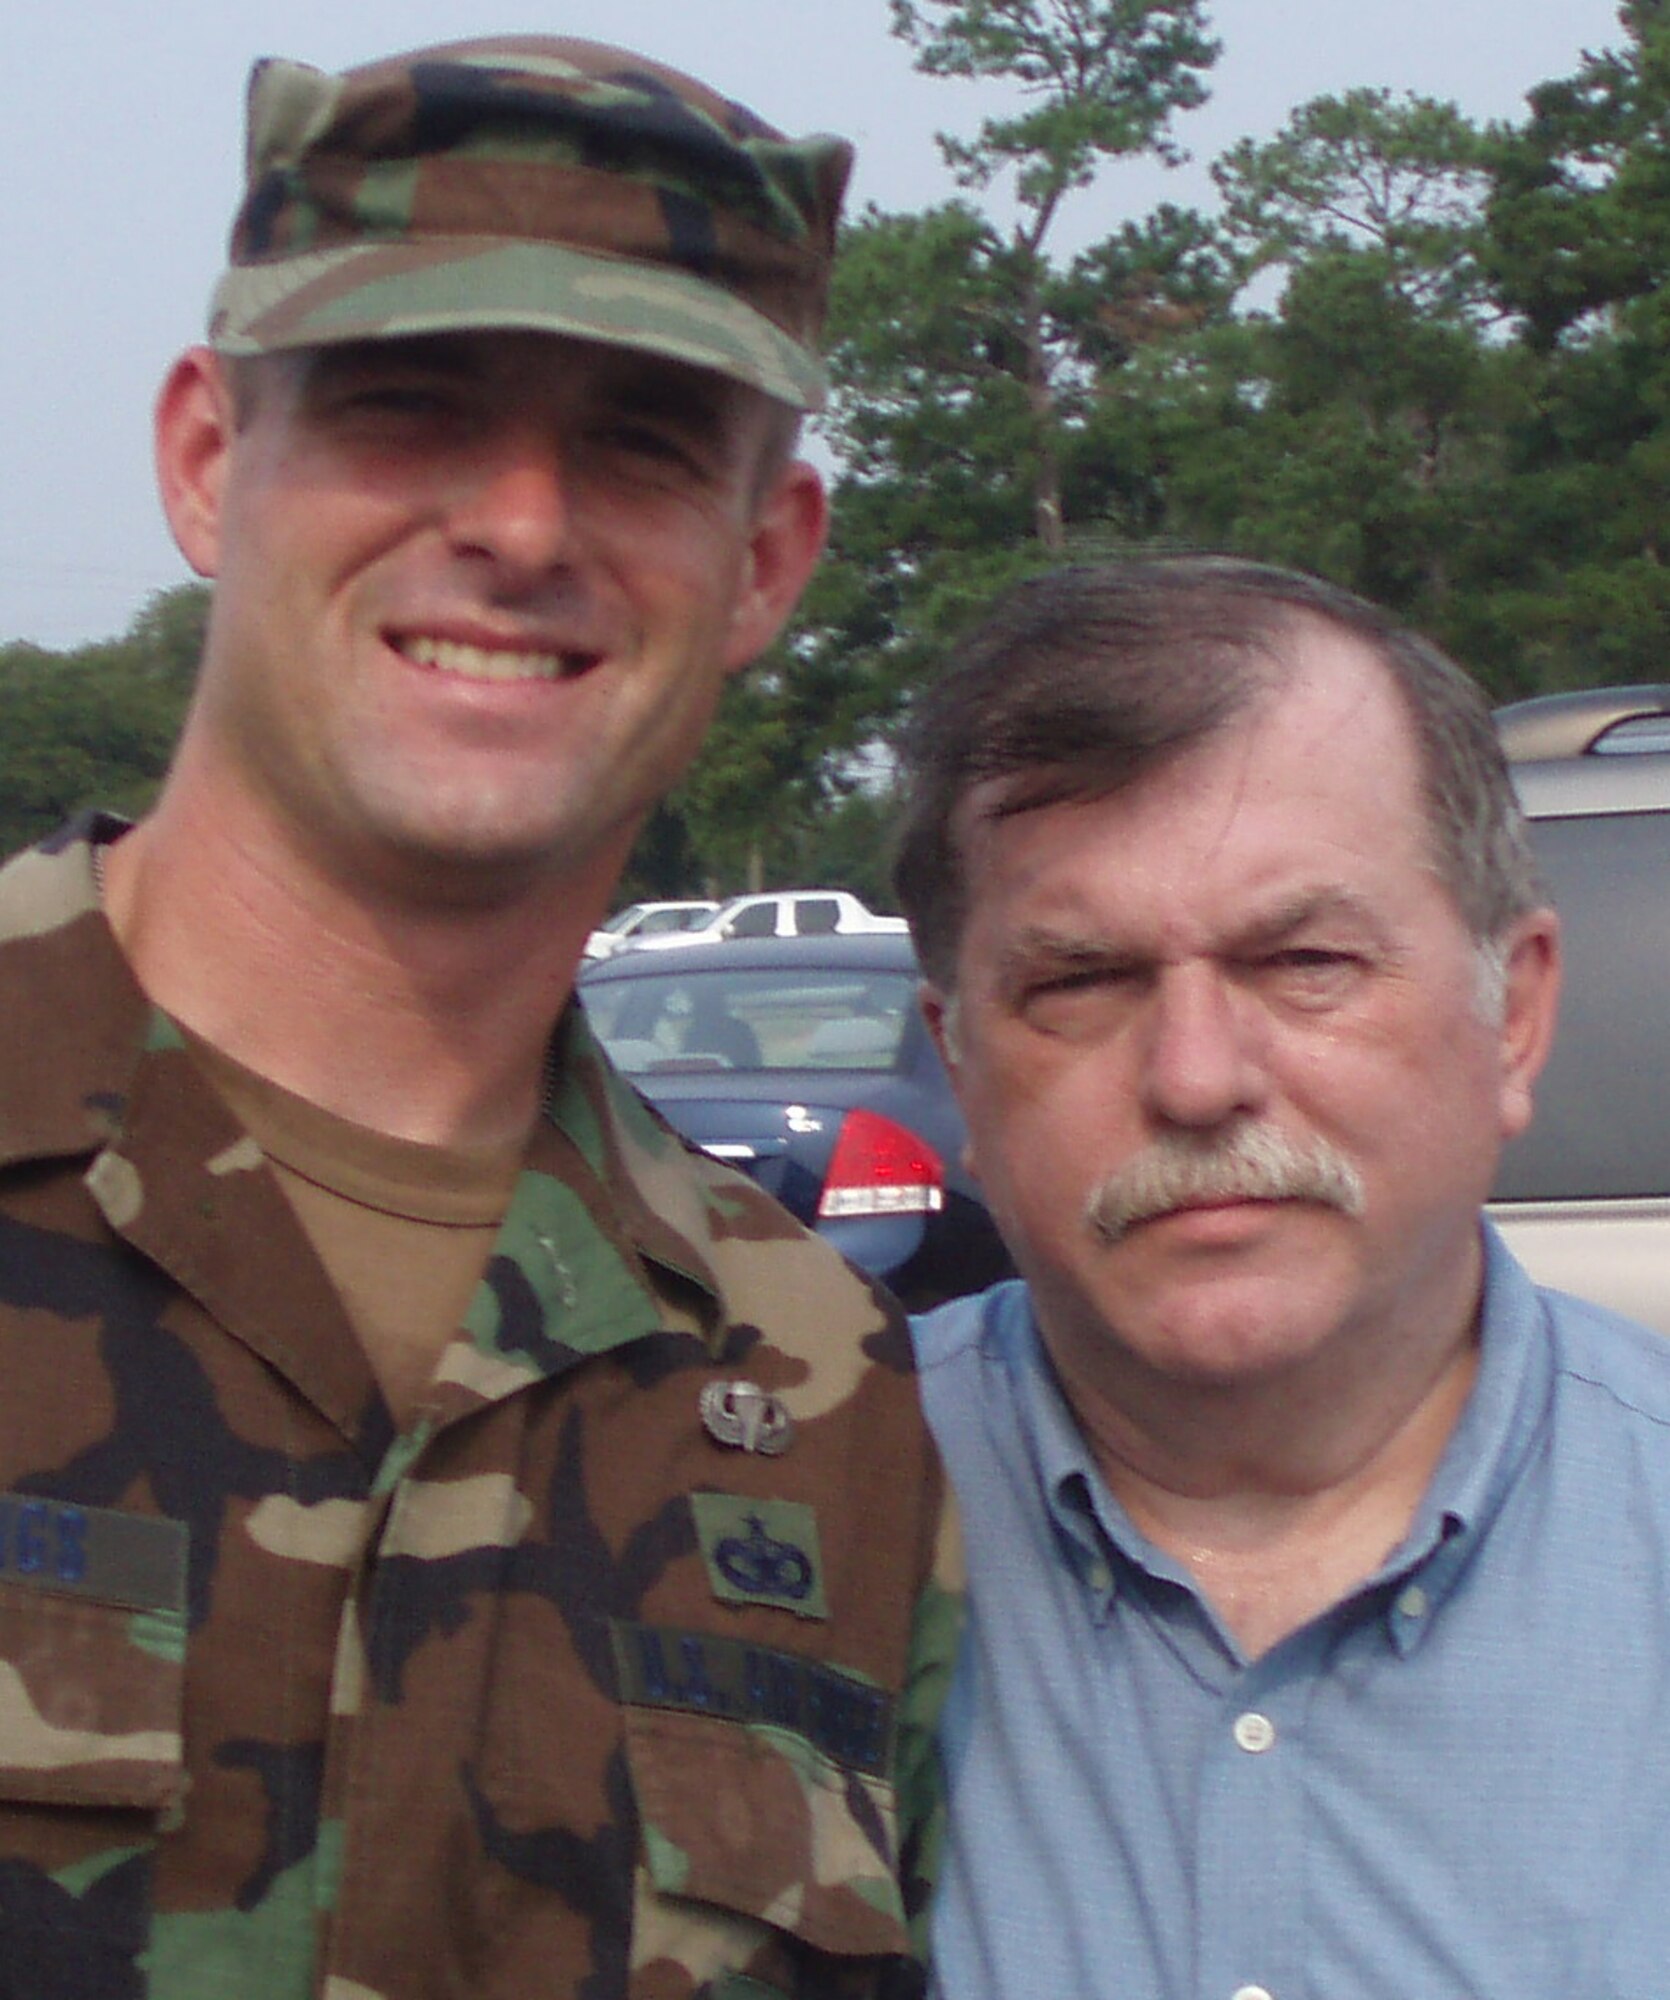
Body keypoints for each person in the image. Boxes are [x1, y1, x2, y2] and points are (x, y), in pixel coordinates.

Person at [0, 37, 958, 1999]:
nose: (521, 522)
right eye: (406, 403)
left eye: (643, 439)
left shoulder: (824, 1400)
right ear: (203, 458)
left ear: (766, 558)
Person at [895, 556, 1670, 1998]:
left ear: (1515, 1017)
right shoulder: (747, 1546)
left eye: (1302, 959)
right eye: (1077, 982)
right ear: (957, 1065)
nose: (1194, 1078)